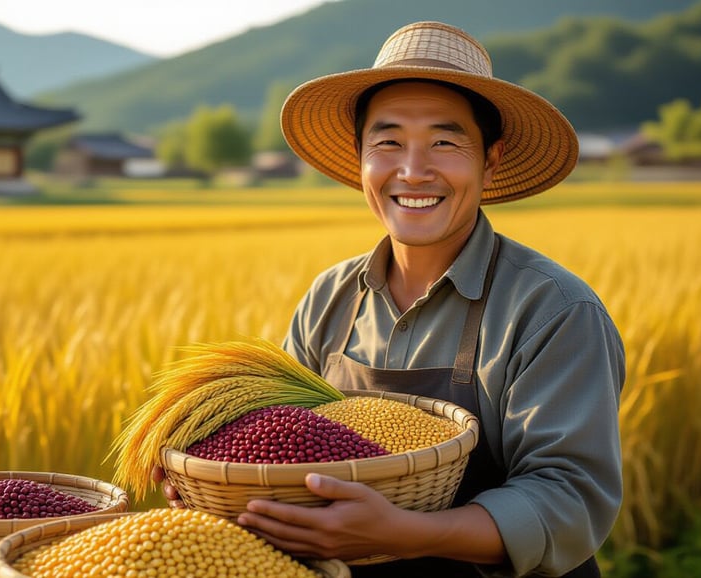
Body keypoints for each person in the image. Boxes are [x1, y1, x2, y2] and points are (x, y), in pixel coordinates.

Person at [157, 20, 625, 577]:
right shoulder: (330, 297)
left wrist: (407, 534)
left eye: (445, 142)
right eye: (388, 142)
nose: (413, 170)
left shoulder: (552, 310)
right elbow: (276, 437)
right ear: (360, 159)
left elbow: (570, 501)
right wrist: (218, 484)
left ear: (490, 159)